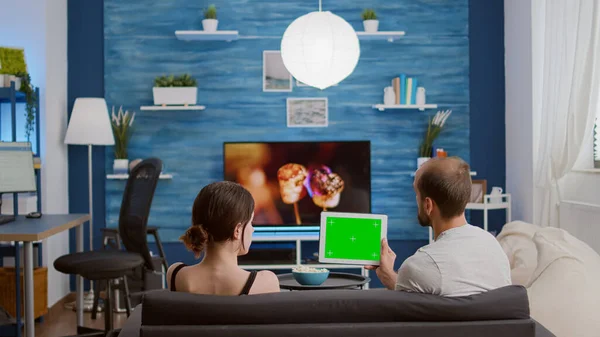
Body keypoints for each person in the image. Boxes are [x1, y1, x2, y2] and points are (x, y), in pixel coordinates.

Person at [367, 157, 511, 297]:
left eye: (417, 195)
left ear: (428, 205)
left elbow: (406, 305)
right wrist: (388, 276)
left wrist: (389, 275)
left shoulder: (421, 264)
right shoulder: (493, 246)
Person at [167, 181, 280, 295]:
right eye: (251, 222)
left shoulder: (176, 275)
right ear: (237, 230)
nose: (252, 229)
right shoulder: (265, 282)